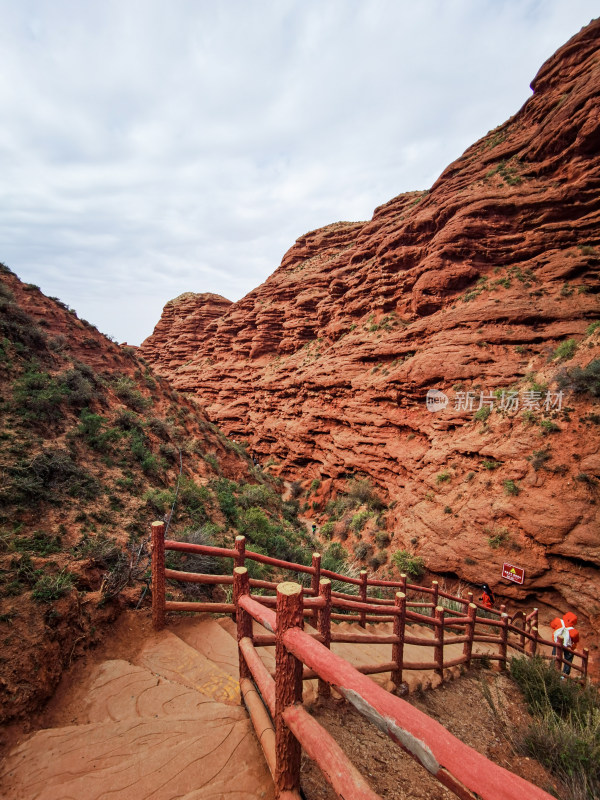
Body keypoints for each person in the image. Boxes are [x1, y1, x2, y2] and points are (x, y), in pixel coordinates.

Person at [550, 612, 579, 676]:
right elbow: (576, 640)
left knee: (554, 656)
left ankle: (551, 670)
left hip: (557, 643)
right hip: (567, 647)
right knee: (568, 659)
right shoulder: (574, 632)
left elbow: (552, 625)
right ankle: (564, 675)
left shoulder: (558, 621)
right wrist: (572, 648)